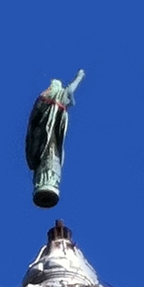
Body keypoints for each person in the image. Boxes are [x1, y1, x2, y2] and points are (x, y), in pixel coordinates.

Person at [25, 70, 84, 208]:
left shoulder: (52, 98)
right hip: (45, 135)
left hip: (50, 134)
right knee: (48, 154)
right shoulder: (53, 98)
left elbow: (68, 93)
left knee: (51, 155)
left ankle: (49, 181)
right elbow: (69, 91)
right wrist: (79, 77)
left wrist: (79, 77)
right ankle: (45, 181)